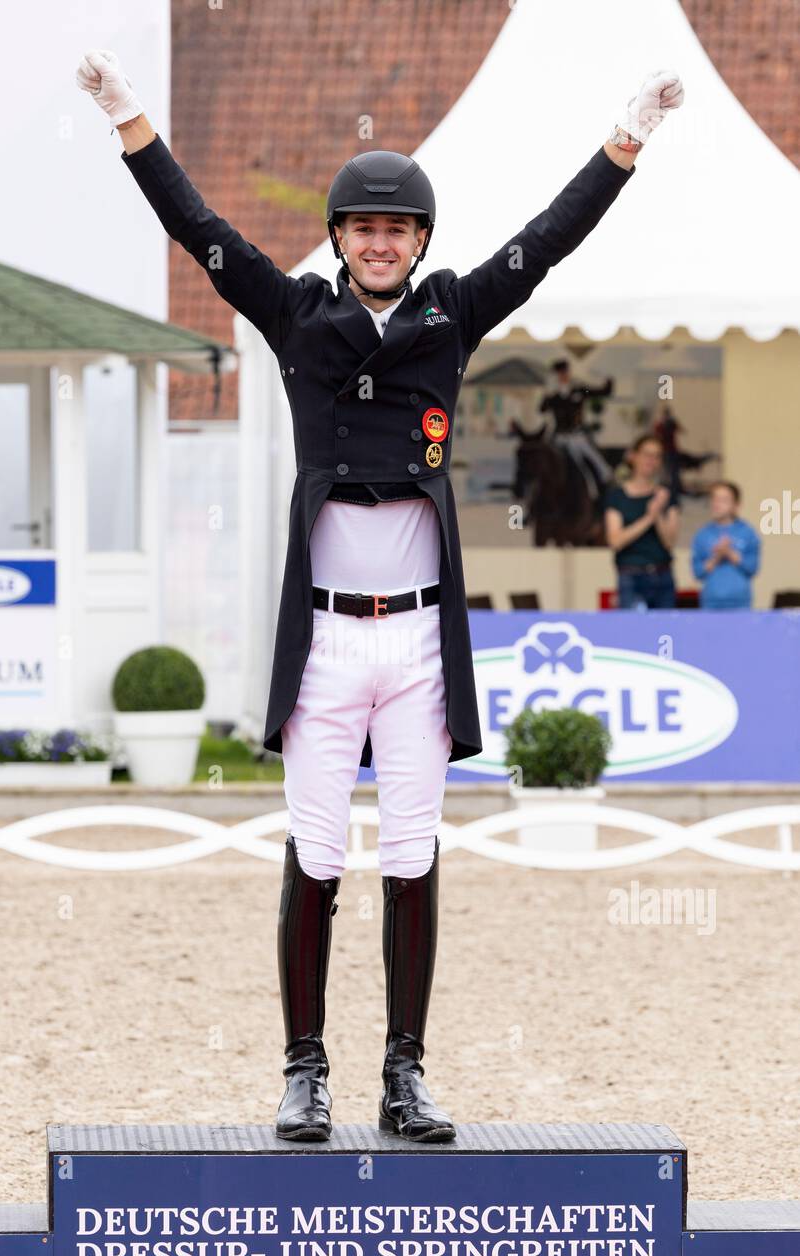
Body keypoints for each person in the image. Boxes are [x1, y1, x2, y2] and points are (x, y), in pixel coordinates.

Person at [77, 51, 684, 1142]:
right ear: (338, 235)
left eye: (396, 229)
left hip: (412, 641)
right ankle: (302, 1067)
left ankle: (403, 1071)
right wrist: (129, 121)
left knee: (409, 853)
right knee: (315, 851)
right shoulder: (295, 315)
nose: (377, 241)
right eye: (360, 226)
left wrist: (622, 143)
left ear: (418, 243)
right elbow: (200, 231)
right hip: (322, 640)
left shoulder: (451, 318)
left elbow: (544, 243)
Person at [604, 434, 680, 608]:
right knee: (633, 632)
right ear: (633, 456)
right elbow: (615, 540)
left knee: (664, 632)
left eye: (657, 456)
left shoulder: (666, 496)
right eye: (647, 454)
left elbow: (669, 542)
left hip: (663, 574)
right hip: (631, 576)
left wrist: (659, 513)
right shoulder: (617, 496)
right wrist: (649, 517)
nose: (651, 461)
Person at [539, 358, 614, 500]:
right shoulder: (553, 395)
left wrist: (606, 377)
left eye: (564, 372)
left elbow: (603, 392)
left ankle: (599, 490)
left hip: (577, 435)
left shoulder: (579, 389)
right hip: (559, 437)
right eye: (559, 373)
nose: (563, 376)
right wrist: (547, 394)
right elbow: (542, 409)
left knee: (597, 462)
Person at [691, 481, 760, 609]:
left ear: (736, 505)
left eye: (723, 500)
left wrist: (729, 553)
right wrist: (717, 556)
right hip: (711, 602)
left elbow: (752, 568)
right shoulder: (703, 534)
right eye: (714, 498)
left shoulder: (747, 532)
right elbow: (698, 572)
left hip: (740, 602)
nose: (717, 504)